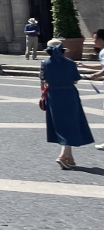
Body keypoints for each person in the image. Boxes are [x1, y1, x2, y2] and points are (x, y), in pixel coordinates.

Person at [41, 38, 100, 168]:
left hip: (53, 95)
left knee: (61, 124)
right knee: (70, 124)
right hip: (69, 95)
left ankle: (69, 158)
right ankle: (63, 156)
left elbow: (43, 80)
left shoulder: (45, 63)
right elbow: (75, 80)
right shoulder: (70, 63)